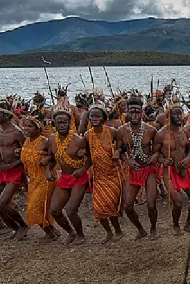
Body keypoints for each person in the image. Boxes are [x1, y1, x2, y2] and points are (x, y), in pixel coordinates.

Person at [45, 105, 90, 245]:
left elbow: (90, 158)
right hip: (64, 177)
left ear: (70, 122)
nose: (62, 125)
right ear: (54, 124)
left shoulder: (78, 140)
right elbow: (52, 158)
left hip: (78, 178)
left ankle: (81, 235)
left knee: (71, 210)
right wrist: (47, 170)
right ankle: (71, 232)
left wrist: (83, 168)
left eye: (65, 122)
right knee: (54, 210)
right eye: (59, 122)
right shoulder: (51, 140)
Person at [118, 95, 160, 240]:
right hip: (134, 169)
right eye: (132, 111)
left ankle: (153, 228)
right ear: (127, 112)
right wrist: (127, 161)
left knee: (151, 204)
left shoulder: (151, 130)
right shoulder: (122, 131)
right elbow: (119, 152)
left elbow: (157, 149)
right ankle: (141, 230)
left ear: (142, 112)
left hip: (149, 170)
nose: (135, 115)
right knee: (127, 206)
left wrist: (153, 158)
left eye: (137, 111)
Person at [85, 103, 124, 244]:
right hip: (98, 176)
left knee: (109, 205)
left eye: (97, 116)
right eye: (92, 116)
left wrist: (118, 151)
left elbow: (122, 146)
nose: (94, 118)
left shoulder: (112, 132)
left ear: (103, 118)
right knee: (98, 208)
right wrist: (82, 168)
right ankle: (108, 232)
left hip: (113, 174)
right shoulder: (86, 135)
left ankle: (118, 230)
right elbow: (88, 156)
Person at [153, 105, 190, 235]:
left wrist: (188, 158)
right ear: (168, 118)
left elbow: (189, 148)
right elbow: (155, 153)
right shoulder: (161, 134)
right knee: (178, 202)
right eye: (175, 115)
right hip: (168, 171)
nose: (178, 118)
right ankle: (176, 225)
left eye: (180, 115)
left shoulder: (185, 131)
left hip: (183, 169)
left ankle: (188, 224)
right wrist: (162, 160)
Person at [20, 111, 58, 240]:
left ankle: (49, 233)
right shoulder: (26, 142)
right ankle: (52, 230)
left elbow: (55, 157)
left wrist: (47, 163)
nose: (26, 129)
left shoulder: (45, 142)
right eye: (25, 126)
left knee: (33, 208)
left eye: (29, 126)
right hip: (33, 180)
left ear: (38, 128)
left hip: (46, 179)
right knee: (42, 207)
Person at [0, 100, 28, 239]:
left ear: (6, 115)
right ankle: (14, 227)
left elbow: (27, 152)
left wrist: (13, 164)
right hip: (2, 170)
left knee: (2, 202)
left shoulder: (17, 132)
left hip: (15, 171)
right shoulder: (0, 131)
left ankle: (23, 225)